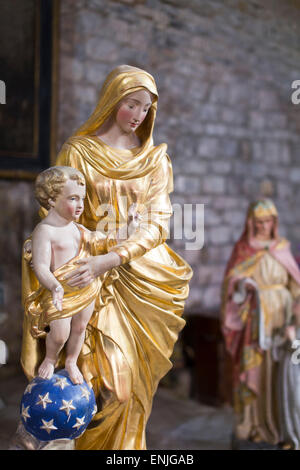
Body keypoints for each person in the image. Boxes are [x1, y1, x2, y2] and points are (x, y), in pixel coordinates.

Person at [21, 65, 193, 450]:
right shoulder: (78, 150)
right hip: (85, 274)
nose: (137, 115)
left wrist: (111, 258)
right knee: (99, 387)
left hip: (139, 278)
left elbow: (158, 223)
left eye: (146, 109)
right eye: (131, 104)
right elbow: (55, 213)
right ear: (113, 99)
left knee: (128, 391)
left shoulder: (155, 161)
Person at [221, 198, 300, 447]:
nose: (264, 226)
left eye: (268, 221)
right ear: (250, 222)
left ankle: (279, 427)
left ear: (274, 222)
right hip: (255, 321)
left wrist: (295, 308)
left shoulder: (282, 248)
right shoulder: (244, 249)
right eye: (259, 222)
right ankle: (253, 425)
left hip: (281, 318)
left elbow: (294, 284)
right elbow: (230, 284)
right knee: (255, 371)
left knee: (281, 375)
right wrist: (243, 285)